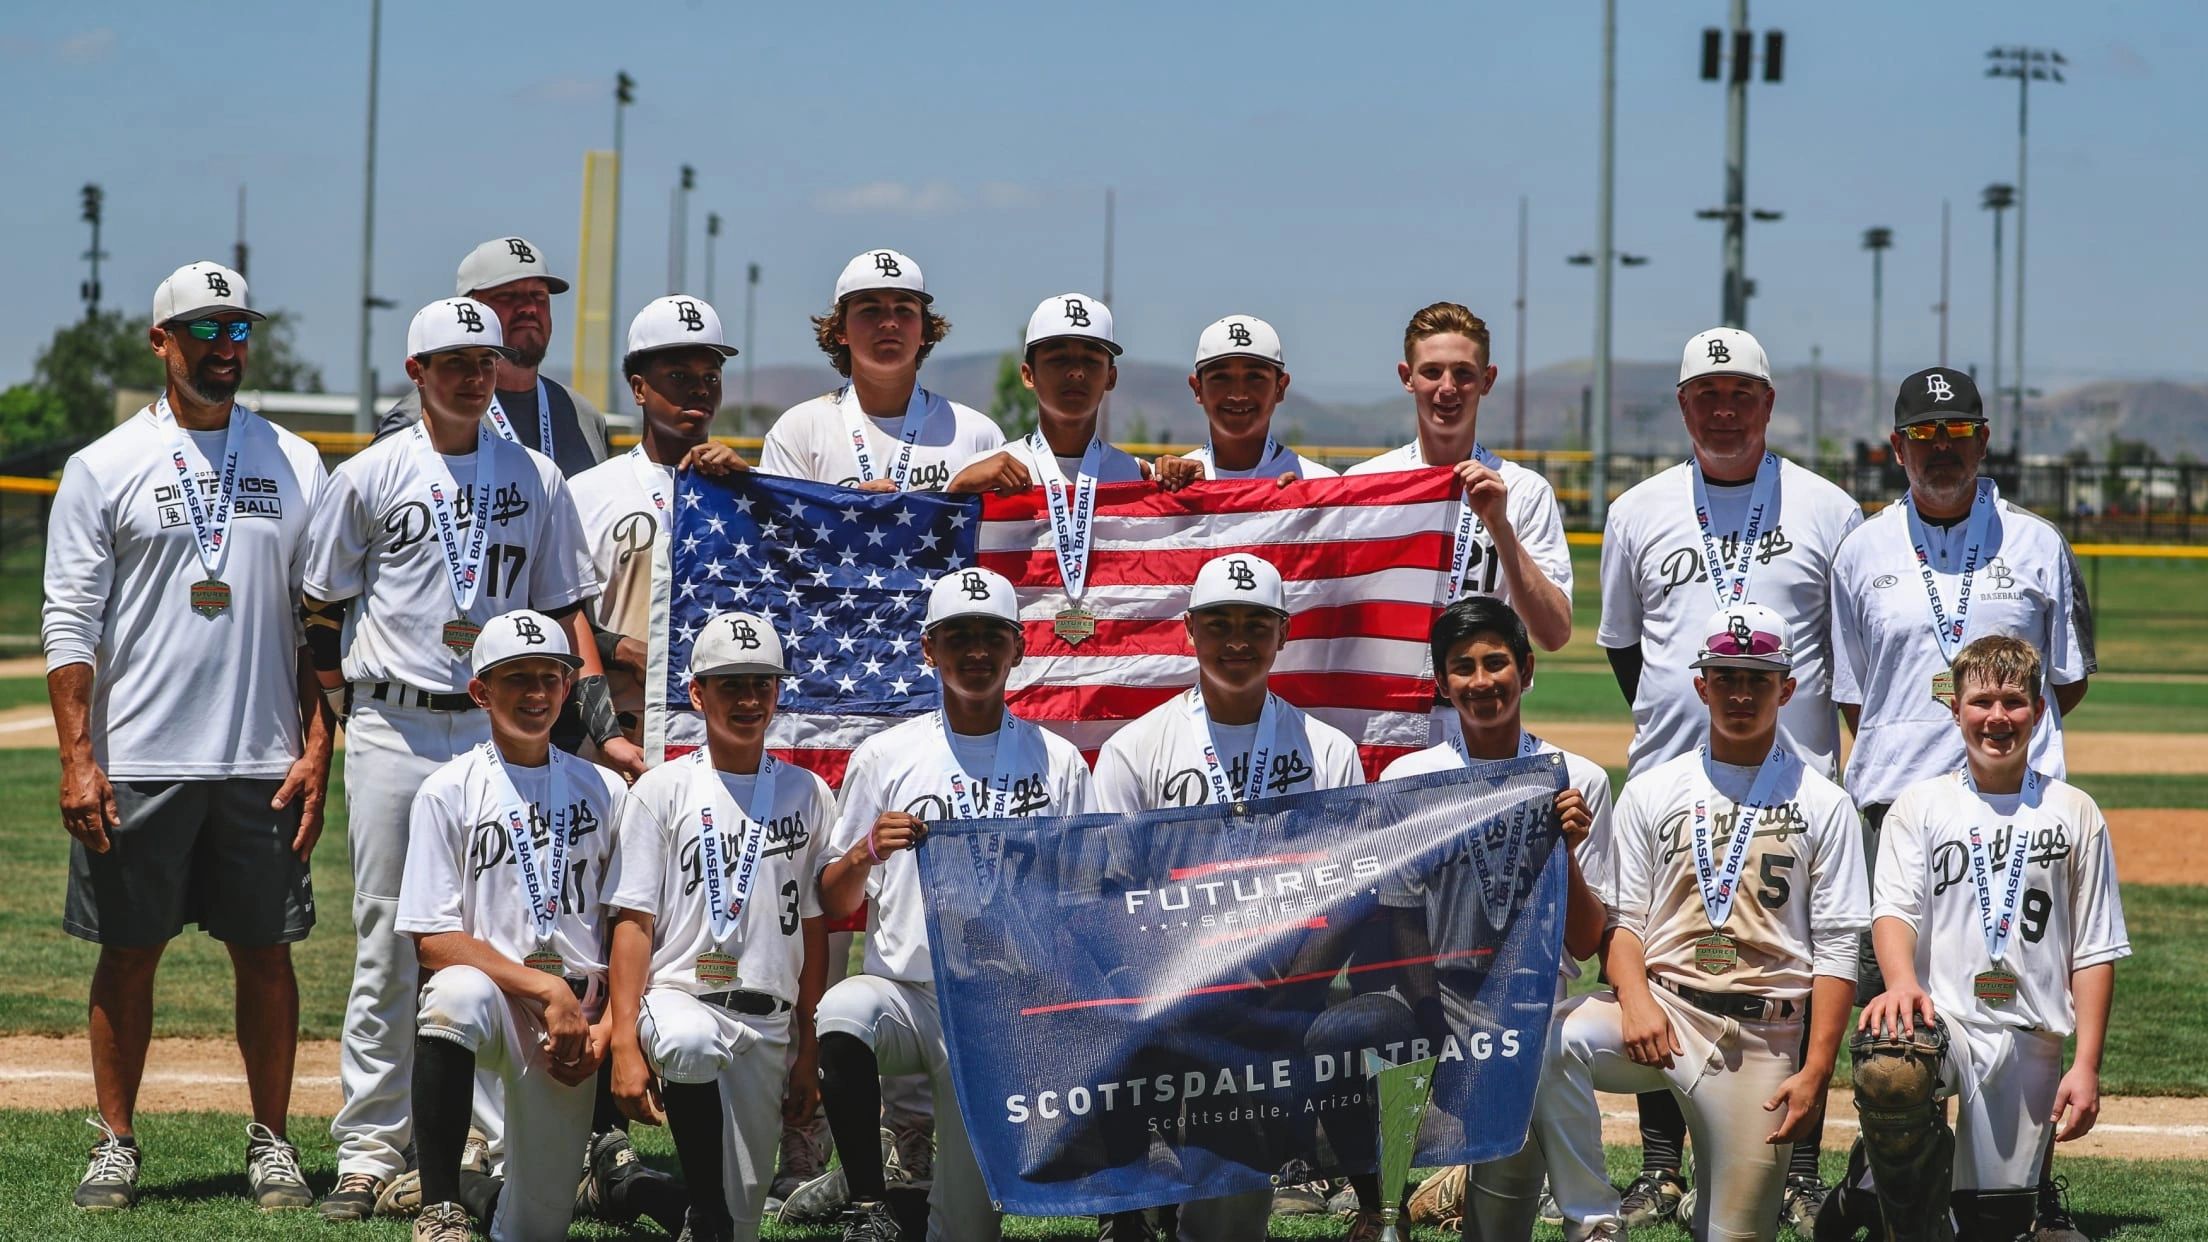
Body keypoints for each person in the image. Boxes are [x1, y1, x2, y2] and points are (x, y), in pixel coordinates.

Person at [303, 297, 635, 1221]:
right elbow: (320, 606)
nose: (472, 373)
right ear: (416, 373)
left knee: (513, 920)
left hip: (502, 725)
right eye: (451, 361)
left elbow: (567, 605)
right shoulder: (370, 472)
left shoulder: (534, 473)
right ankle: (371, 1147)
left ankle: (486, 1142)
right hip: (397, 724)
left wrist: (595, 725)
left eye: (483, 359)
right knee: (386, 936)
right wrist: (340, 709)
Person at [43, 261, 330, 1212]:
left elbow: (316, 619)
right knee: (127, 951)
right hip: (141, 758)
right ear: (161, 342)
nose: (223, 348)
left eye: (238, 330)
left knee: (267, 953)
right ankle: (116, 1140)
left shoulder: (294, 460)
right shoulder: (104, 465)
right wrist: (80, 757)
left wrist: (318, 741)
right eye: (204, 331)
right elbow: (70, 622)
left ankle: (274, 1142)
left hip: (260, 760)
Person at [1596, 327, 1864, 1229]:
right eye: (1706, 393)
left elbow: (1848, 651)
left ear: (1768, 403)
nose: (1723, 408)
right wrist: (1686, 730)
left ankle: (1797, 1168)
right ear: (1683, 405)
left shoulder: (1827, 508)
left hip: (1794, 786)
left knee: (1791, 971)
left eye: (1740, 393)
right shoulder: (1639, 510)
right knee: (1666, 962)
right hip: (1674, 782)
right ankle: (1662, 1168)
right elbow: (1629, 651)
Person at [1829, 367, 2097, 1241]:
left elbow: (2063, 681)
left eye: (1958, 436)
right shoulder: (1863, 549)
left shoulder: (2039, 542)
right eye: (1923, 439)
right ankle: (1890, 1188)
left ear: (1983, 442)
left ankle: (2023, 1180)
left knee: (2024, 1000)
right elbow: (1853, 696)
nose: (1940, 453)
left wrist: (2002, 754)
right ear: (1897, 448)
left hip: (2019, 815)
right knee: (1897, 1026)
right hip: (1896, 810)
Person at [1543, 604, 1868, 1242]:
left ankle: (1727, 1199)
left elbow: (1836, 952)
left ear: (1788, 688)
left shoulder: (1825, 803)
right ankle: (1593, 1222)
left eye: (1757, 678)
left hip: (1764, 1036)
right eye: (1724, 677)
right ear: (1701, 685)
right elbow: (1626, 923)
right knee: (1550, 1043)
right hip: (1665, 1011)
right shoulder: (1653, 790)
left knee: (1734, 1234)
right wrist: (1634, 1000)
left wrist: (1818, 1067)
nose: (1740, 693)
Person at [807, 567, 1094, 1242]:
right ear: (927, 650)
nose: (975, 650)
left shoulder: (1057, 761)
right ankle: (869, 1205)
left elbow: (1088, 893)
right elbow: (832, 897)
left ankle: (916, 1209)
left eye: (991, 635)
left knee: (966, 1230)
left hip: (1005, 1008)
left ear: (1018, 649)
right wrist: (865, 852)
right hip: (909, 994)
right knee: (843, 1010)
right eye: (956, 635)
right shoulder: (886, 754)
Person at [1090, 552, 1365, 1242]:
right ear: (1190, 630)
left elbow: (1348, 887)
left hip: (1288, 994)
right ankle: (1134, 1187)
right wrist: (1186, 975)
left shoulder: (1328, 751)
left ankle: (1276, 1170)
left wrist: (1281, 984)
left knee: (1231, 1226)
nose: (1237, 641)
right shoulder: (1137, 747)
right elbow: (1110, 894)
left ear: (1284, 633)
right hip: (1168, 987)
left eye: (1255, 624)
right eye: (1219, 624)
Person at [1836, 634, 2127, 1242]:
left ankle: (1868, 1183)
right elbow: (1893, 909)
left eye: (2015, 702)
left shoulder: (2074, 811)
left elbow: (2095, 947)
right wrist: (1901, 983)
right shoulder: (1919, 805)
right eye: (1982, 701)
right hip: (1945, 1026)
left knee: (1993, 1228)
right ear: (1956, 709)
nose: (1998, 717)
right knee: (1894, 1066)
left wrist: (2088, 1064)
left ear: (2040, 711)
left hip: (2029, 1036)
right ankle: (1881, 1198)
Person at [1374, 597, 1613, 1242]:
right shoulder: (1412, 777)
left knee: (1498, 1228)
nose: (1481, 682)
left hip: (1532, 1011)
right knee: (1372, 1026)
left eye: (1496, 663)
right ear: (1442, 683)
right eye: (1462, 668)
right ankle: (1382, 1208)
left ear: (1527, 669)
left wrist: (1564, 851)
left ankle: (1494, 1199)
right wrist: (1432, 1011)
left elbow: (1588, 942)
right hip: (1431, 999)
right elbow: (1396, 919)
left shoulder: (1578, 779)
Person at [395, 610, 629, 1242]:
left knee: (534, 1228)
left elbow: (630, 926)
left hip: (577, 1020)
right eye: (516, 678)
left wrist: (606, 1025)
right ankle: (440, 1206)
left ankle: (477, 1186)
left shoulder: (605, 789)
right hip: (499, 1000)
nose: (535, 693)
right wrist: (543, 988)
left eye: (551, 678)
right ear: (481, 692)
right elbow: (432, 938)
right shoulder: (449, 790)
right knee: (451, 994)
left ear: (568, 687)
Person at [604, 611, 836, 1242]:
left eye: (762, 683)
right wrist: (625, 1041)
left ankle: (654, 1200)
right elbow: (633, 922)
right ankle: (699, 1208)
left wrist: (806, 1052)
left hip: (767, 1022)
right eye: (730, 684)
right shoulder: (662, 789)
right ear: (697, 692)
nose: (748, 699)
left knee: (739, 1228)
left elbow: (814, 933)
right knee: (690, 1045)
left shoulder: (808, 793)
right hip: (680, 999)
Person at [569, 293, 750, 761]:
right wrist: (621, 649)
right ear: (638, 388)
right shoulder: (587, 492)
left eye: (711, 376)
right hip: (617, 736)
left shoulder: (747, 494)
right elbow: (557, 611)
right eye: (678, 377)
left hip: (721, 739)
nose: (699, 390)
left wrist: (754, 490)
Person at [1344, 302, 1571, 653]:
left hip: (1481, 700)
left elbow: (1553, 634)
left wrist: (1500, 527)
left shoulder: (1523, 489)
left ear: (1487, 380)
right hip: (1385, 703)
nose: (1447, 388)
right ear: (1407, 377)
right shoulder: (1365, 483)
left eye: (1463, 373)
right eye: (1431, 371)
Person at [757, 247, 1003, 491]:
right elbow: (779, 528)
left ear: (925, 332)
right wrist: (851, 512)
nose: (889, 322)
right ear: (841, 330)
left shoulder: (977, 434)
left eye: (904, 310)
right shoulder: (798, 432)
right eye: (870, 310)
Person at [377, 236, 608, 477]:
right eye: (508, 296)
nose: (529, 308)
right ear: (471, 308)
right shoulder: (419, 417)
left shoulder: (583, 416)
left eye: (538, 296)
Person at [1180, 314, 1337, 482]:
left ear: (1280, 387)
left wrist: (1300, 507)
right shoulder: (1171, 484)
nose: (1238, 395)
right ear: (1198, 388)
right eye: (1221, 377)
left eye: (1255, 376)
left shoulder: (1319, 484)